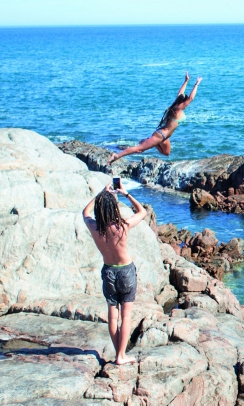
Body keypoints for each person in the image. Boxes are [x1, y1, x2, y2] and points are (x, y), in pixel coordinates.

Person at [81, 183, 147, 365]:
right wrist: (125, 194)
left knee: (113, 315)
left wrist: (100, 194)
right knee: (126, 316)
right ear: (114, 208)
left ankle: (119, 354)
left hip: (109, 271)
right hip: (126, 271)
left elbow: (84, 213)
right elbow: (142, 212)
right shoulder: (123, 226)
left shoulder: (95, 227)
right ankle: (121, 356)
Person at [107, 72, 202, 165]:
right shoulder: (178, 109)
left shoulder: (176, 106)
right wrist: (196, 84)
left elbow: (180, 93)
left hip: (164, 137)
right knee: (139, 149)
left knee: (166, 153)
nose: (187, 104)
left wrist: (186, 81)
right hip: (160, 135)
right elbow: (191, 98)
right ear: (182, 102)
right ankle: (116, 156)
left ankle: (154, 143)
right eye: (185, 102)